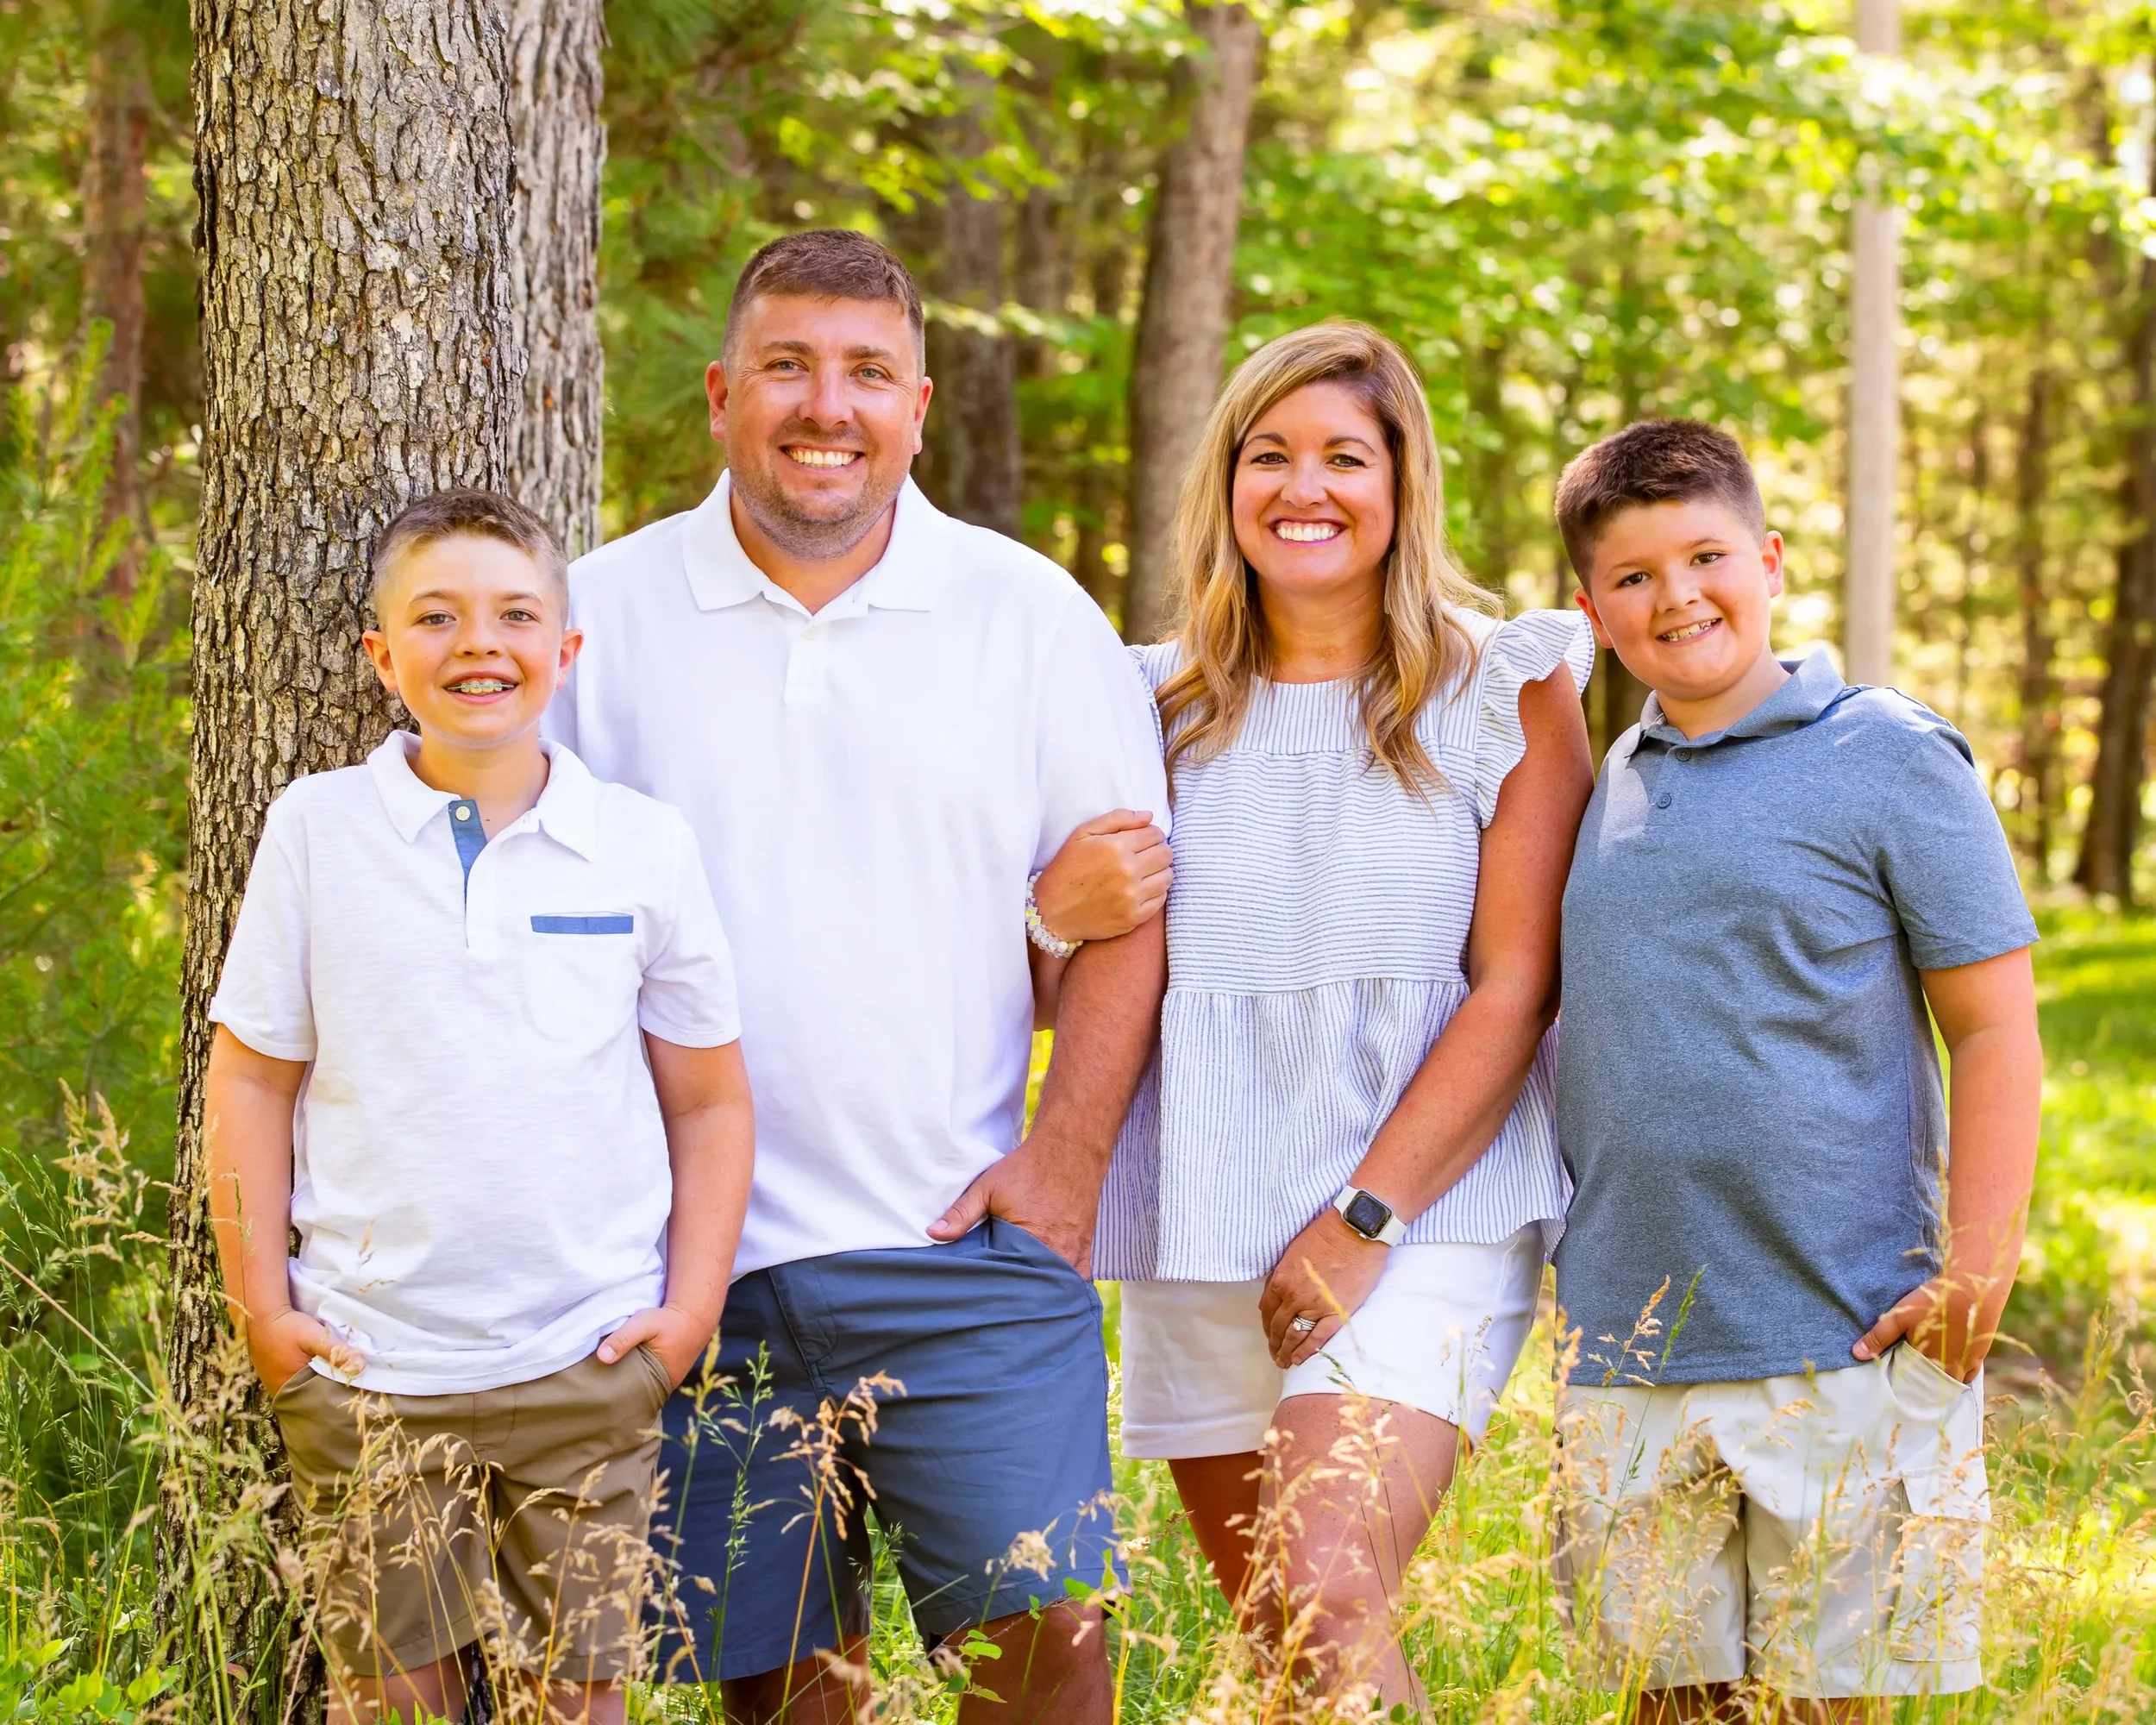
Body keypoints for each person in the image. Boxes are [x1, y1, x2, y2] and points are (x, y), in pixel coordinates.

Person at [547, 229, 1169, 1723]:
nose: (827, 406)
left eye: (867, 373)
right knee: (787, 1699)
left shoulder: (1026, 615)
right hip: (696, 1273)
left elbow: (1133, 900)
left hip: (960, 1253)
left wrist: (1067, 1163)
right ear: (719, 394)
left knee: (1048, 1679)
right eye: (788, 366)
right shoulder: (594, 619)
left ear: (919, 404)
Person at [1083, 320, 1595, 1712]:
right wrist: (1048, 911)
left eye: (1344, 458)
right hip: (1201, 1211)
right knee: (1293, 1650)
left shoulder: (1505, 684)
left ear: (1402, 482)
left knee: (1319, 1589)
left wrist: (1360, 1219)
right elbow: (1075, 962)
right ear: (1227, 483)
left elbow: (1519, 983)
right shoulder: (1146, 703)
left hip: (1424, 1205)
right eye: (1270, 455)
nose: (1304, 488)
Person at [203, 490, 756, 1725]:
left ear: (565, 651)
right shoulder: (318, 830)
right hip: (369, 1361)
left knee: (579, 1702)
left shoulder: (641, 845)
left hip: (587, 1359)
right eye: (436, 617)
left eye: (514, 615)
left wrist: (689, 1312)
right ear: (382, 655)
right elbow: (249, 1076)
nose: (477, 644)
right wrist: (264, 1316)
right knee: (393, 1697)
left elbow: (711, 1100)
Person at [1548, 420, 2043, 1720]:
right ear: (1596, 614)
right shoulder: (1607, 787)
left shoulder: (1883, 752)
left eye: (1706, 555)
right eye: (1636, 577)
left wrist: (1976, 1273)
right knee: (1668, 1706)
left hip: (1842, 1340)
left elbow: (1994, 1027)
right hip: (1628, 1347)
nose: (1678, 596)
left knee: (1829, 1708)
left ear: (1767, 561)